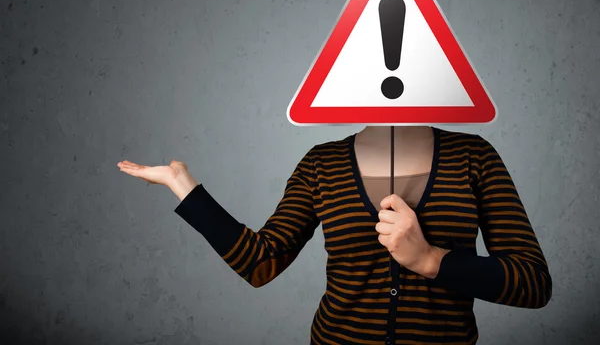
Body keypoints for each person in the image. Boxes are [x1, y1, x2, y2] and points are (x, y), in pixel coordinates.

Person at [118, 125, 552, 344]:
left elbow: (533, 283)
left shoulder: (474, 156)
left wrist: (430, 259)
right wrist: (183, 185)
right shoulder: (321, 164)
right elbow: (260, 262)